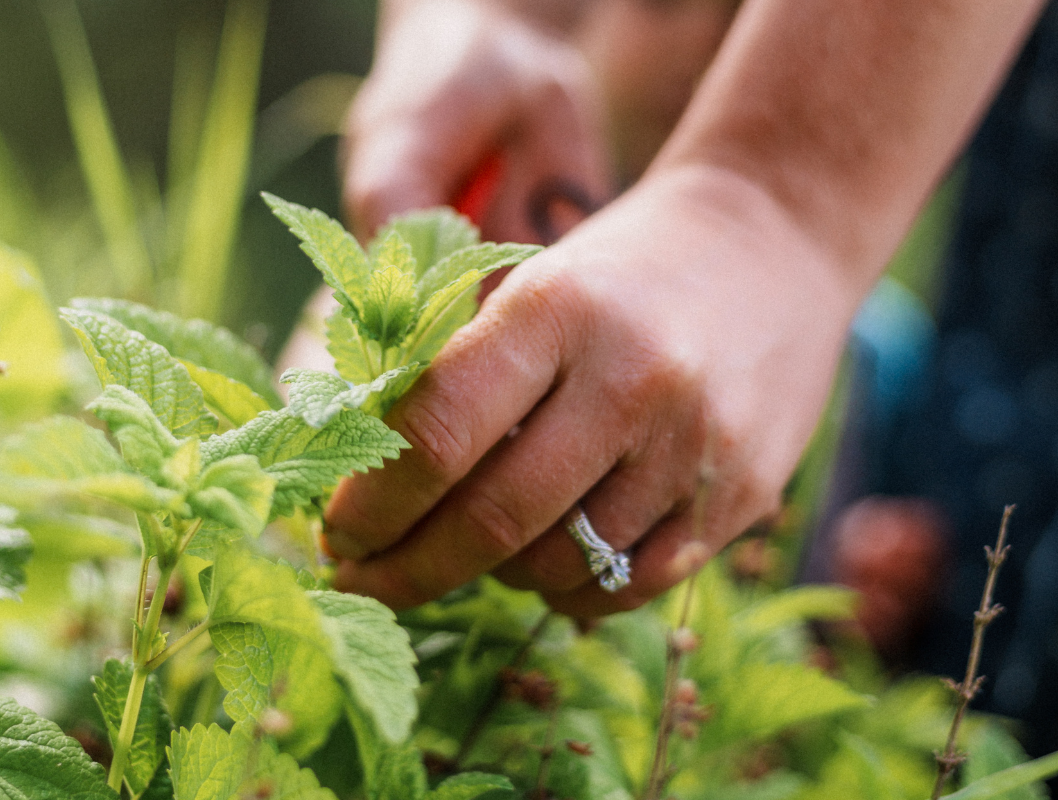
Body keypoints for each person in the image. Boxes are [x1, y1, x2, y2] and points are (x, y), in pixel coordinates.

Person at [310, 0, 1045, 617]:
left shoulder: (869, 348)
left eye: (749, 23)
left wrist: (772, 199)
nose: (709, 53)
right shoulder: (487, 218)